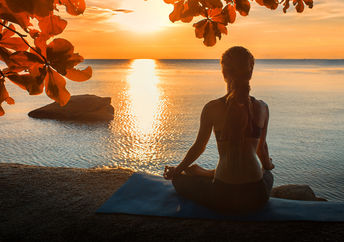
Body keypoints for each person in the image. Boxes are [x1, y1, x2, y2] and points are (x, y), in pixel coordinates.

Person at [163, 46, 275, 215]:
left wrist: (176, 171)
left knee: (179, 180)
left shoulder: (212, 108)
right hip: (256, 196)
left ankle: (205, 173)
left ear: (224, 73)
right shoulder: (263, 108)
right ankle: (206, 173)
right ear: (250, 73)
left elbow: (198, 147)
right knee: (267, 174)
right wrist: (268, 165)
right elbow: (262, 150)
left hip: (223, 195)